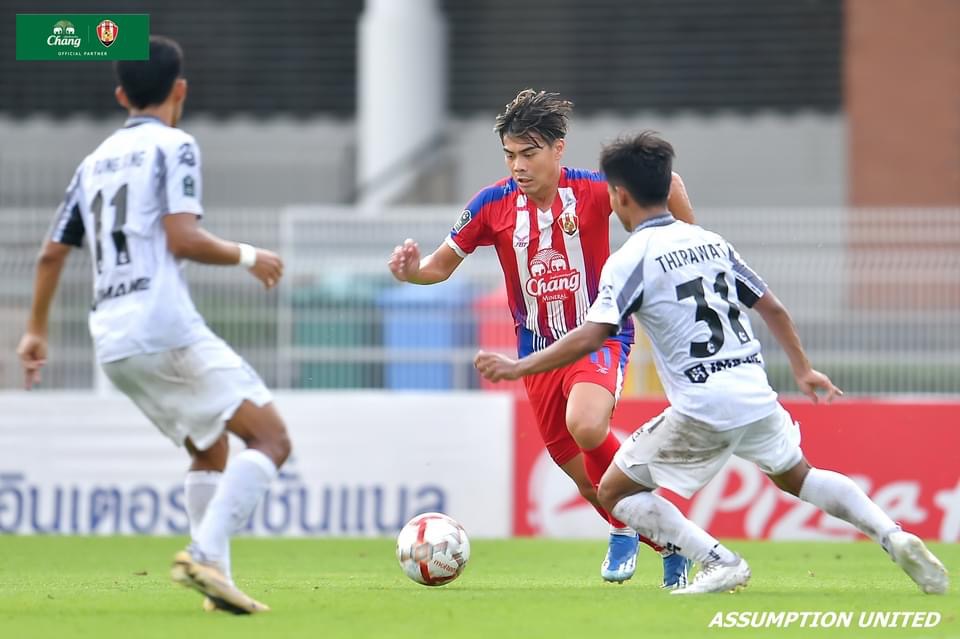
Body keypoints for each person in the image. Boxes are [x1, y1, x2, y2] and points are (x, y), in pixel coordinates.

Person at [475, 131, 949, 595]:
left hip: (702, 405)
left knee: (614, 492)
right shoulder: (711, 242)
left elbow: (592, 334)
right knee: (800, 475)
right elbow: (773, 308)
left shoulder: (631, 258)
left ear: (618, 197)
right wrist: (803, 369)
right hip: (755, 394)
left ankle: (720, 562)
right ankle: (893, 534)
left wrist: (520, 368)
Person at [16, 36, 292, 613]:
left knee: (209, 447)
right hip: (162, 324)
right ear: (181, 90)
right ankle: (204, 553)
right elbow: (183, 237)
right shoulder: (175, 145)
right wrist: (250, 256)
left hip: (112, 340)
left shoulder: (90, 163)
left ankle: (217, 588)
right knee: (270, 439)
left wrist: (35, 330)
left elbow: (50, 254)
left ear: (121, 95)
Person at [389, 89, 695, 586]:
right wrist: (410, 273)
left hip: (598, 337)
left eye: (529, 153)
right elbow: (438, 268)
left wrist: (692, 241)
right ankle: (672, 542)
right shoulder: (491, 205)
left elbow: (671, 182)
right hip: (538, 358)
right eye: (510, 155)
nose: (518, 166)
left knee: (587, 425)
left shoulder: (597, 191)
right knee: (590, 482)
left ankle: (622, 528)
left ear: (559, 149)